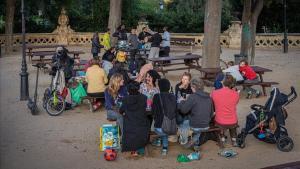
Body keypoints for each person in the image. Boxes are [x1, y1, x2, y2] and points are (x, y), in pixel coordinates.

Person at [178, 78, 214, 151]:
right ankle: (196, 143)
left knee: (182, 122)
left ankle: (184, 141)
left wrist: (181, 101)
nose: (191, 88)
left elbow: (183, 110)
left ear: (194, 87)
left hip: (196, 125)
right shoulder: (209, 97)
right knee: (196, 122)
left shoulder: (192, 97)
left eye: (191, 87)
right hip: (206, 124)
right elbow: (211, 113)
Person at [119, 81, 149, 156]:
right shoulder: (144, 98)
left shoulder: (125, 99)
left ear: (128, 90)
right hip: (142, 125)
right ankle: (140, 147)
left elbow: (121, 110)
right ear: (138, 89)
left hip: (129, 125)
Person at [211, 75, 239, 147]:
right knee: (232, 126)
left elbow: (212, 102)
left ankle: (222, 138)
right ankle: (234, 140)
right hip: (233, 121)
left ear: (222, 82)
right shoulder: (236, 94)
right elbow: (235, 103)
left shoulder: (214, 93)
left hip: (220, 121)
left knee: (219, 123)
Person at [152, 78, 177, 155]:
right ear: (169, 87)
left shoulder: (156, 96)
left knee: (157, 124)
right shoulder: (173, 96)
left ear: (159, 87)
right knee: (164, 130)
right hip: (171, 127)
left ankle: (159, 141)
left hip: (159, 128)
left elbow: (153, 112)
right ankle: (164, 149)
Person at [175, 72, 193, 145]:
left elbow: (192, 99)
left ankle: (182, 136)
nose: (183, 80)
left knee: (186, 120)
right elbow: (176, 98)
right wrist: (179, 88)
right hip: (179, 108)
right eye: (183, 78)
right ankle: (184, 135)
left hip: (188, 109)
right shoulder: (178, 86)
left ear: (189, 81)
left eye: (186, 79)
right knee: (180, 120)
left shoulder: (191, 87)